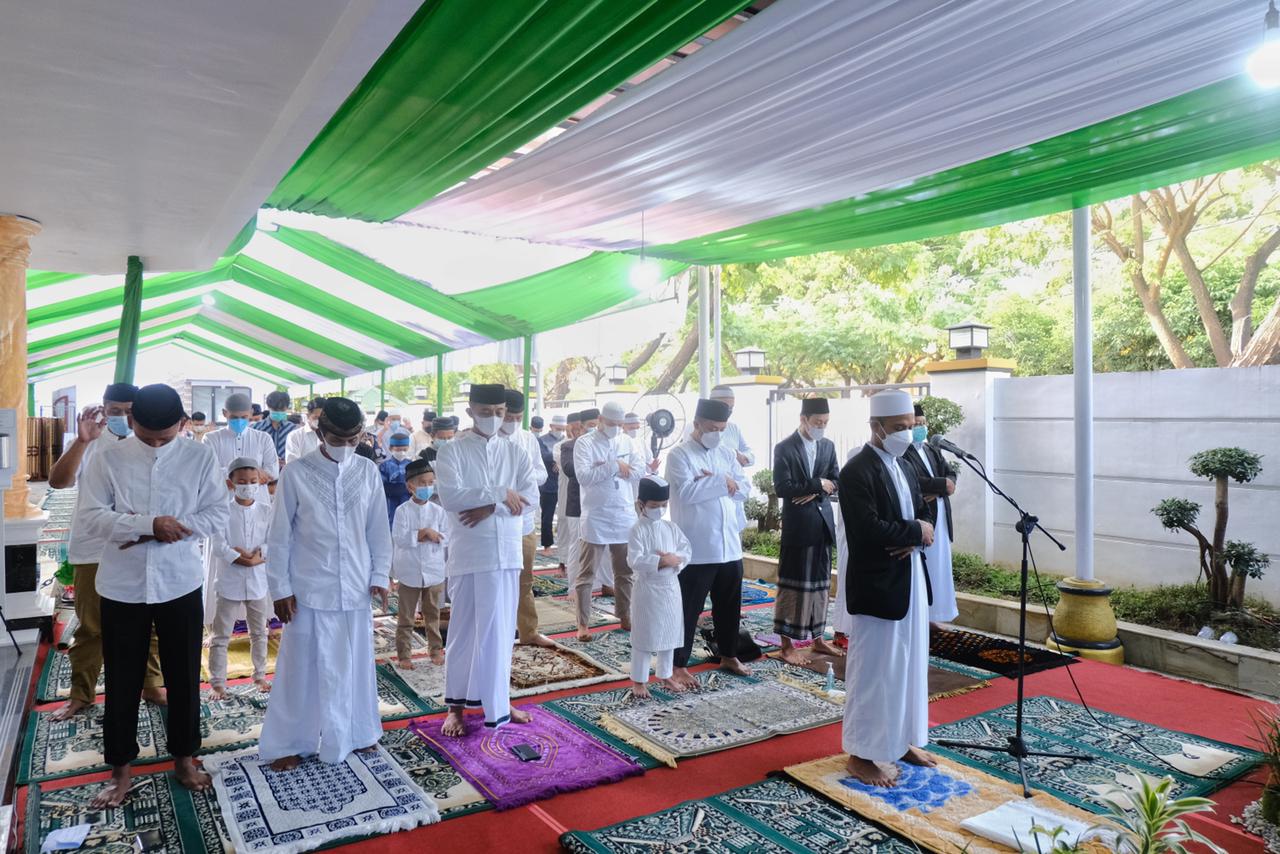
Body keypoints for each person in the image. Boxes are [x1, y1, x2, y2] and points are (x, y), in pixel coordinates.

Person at [78, 383, 229, 807]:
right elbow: (91, 518)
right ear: (131, 421)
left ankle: (184, 757)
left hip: (180, 581)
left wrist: (166, 528)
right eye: (147, 436)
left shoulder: (199, 457)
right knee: (123, 678)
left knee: (183, 676)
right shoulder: (107, 457)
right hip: (122, 586)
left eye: (166, 437)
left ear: (183, 424)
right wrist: (147, 525)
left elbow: (217, 513)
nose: (157, 444)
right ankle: (121, 769)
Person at [259, 397, 392, 769]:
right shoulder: (296, 473)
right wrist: (280, 589)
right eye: (339, 437)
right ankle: (288, 743)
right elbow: (279, 537)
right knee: (300, 670)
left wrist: (380, 575)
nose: (347, 445)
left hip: (355, 587)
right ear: (320, 432)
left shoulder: (366, 472)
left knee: (355, 666)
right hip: (307, 589)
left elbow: (378, 530)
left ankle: (358, 733)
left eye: (354, 439)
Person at [48, 385, 166, 721]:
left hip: (139, 544)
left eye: (130, 411)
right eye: (115, 411)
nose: (123, 418)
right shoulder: (90, 440)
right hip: (93, 548)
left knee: (149, 621)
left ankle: (151, 684)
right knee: (92, 628)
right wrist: (82, 441)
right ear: (103, 409)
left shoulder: (148, 441)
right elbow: (58, 482)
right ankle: (81, 694)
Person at [838, 389, 936, 787]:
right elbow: (865, 531)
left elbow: (922, 510)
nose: (906, 435)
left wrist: (916, 532)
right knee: (876, 670)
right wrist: (915, 530)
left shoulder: (905, 464)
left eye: (910, 427)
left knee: (910, 666)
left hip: (909, 579)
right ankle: (860, 754)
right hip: (878, 585)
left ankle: (902, 741)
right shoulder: (856, 471)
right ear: (876, 427)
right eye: (898, 428)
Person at [434, 384, 537, 734]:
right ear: (470, 411)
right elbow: (450, 497)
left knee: (501, 632)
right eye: (486, 411)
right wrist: (499, 495)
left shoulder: (517, 452)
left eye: (499, 412)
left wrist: (488, 506)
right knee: (464, 631)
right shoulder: (452, 451)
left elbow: (530, 498)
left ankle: (499, 702)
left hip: (506, 553)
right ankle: (456, 709)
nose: (494, 418)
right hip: (470, 554)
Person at [665, 398, 753, 688]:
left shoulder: (726, 453)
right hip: (697, 547)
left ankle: (729, 654)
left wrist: (721, 480)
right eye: (713, 428)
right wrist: (721, 481)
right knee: (688, 609)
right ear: (697, 425)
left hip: (729, 544)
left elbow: (744, 489)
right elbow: (688, 493)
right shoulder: (679, 455)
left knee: (729, 606)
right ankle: (677, 665)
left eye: (722, 428)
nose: (717, 433)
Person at [772, 397, 843, 664]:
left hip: (822, 525)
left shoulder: (828, 446)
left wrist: (816, 489)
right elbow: (783, 488)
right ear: (803, 420)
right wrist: (816, 485)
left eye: (825, 423)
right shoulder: (785, 448)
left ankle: (818, 639)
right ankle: (787, 645)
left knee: (820, 587)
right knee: (793, 585)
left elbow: (836, 481)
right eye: (817, 423)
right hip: (798, 527)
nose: (821, 427)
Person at [572, 401, 643, 638]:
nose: (615, 428)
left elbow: (638, 471)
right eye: (611, 423)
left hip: (623, 513)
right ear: (601, 420)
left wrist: (609, 468)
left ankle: (625, 614)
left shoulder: (628, 441)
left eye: (619, 424)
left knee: (625, 571)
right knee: (587, 573)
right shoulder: (585, 443)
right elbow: (584, 476)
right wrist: (614, 466)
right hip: (596, 515)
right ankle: (583, 623)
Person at [207, 458, 274, 698]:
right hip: (229, 581)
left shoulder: (267, 511)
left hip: (257, 580)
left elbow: (273, 541)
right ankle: (217, 682)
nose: (248, 486)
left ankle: (260, 676)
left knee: (259, 633)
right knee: (221, 634)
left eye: (253, 482)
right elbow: (218, 544)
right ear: (231, 483)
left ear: (260, 483)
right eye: (242, 482)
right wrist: (239, 557)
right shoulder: (222, 511)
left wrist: (258, 557)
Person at [627, 476, 692, 698]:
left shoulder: (670, 527)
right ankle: (639, 680)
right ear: (641, 504)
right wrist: (660, 561)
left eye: (663, 506)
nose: (660, 510)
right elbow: (634, 560)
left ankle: (665, 675)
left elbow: (686, 550)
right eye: (654, 506)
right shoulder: (637, 529)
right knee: (644, 637)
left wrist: (675, 559)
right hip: (648, 589)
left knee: (669, 634)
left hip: (671, 587)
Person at [499, 390, 554, 647]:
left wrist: (524, 481)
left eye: (517, 417)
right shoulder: (488, 440)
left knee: (525, 579)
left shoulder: (528, 439)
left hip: (524, 521)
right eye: (508, 416)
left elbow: (541, 474)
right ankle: (499, 632)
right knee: (496, 581)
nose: (512, 421)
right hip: (496, 523)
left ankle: (529, 631)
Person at [904, 403, 959, 626]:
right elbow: (914, 480)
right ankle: (923, 617)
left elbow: (950, 473)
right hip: (926, 519)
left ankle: (935, 617)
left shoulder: (931, 449)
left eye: (923, 424)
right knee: (927, 569)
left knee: (940, 569)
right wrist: (942, 484)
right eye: (916, 425)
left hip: (942, 517)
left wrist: (948, 483)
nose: (921, 428)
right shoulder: (905, 452)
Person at [391, 459, 448, 667]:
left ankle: (435, 651)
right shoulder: (402, 511)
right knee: (406, 617)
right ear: (410, 486)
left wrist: (434, 535)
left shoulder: (438, 511)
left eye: (430, 482)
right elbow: (400, 538)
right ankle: (404, 656)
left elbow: (447, 537)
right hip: (409, 572)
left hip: (433, 571)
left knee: (432, 615)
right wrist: (422, 534)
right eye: (422, 483)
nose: (427, 487)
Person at [557, 413, 583, 576]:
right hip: (569, 493)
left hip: (588, 499)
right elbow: (569, 469)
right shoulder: (564, 446)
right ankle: (562, 564)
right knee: (565, 527)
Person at [536, 414, 560, 557]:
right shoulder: (541, 440)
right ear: (551, 427)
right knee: (547, 517)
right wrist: (557, 458)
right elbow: (544, 457)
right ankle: (547, 545)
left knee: (564, 518)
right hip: (547, 485)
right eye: (558, 428)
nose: (561, 431)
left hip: (562, 484)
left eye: (563, 429)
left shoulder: (565, 440)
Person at [254, 390, 297, 467]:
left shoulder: (293, 430)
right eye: (275, 410)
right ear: (268, 407)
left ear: (287, 408)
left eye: (282, 410)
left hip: (286, 473)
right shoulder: (256, 428)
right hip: (263, 473)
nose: (278, 412)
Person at [379, 432, 413, 527]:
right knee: (392, 524)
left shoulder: (412, 465)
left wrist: (398, 488)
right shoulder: (384, 466)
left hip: (408, 501)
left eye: (404, 450)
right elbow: (383, 487)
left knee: (408, 524)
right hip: (391, 503)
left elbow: (416, 485)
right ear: (390, 449)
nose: (402, 452)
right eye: (398, 450)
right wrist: (405, 488)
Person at [285, 398, 324, 464]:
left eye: (323, 418)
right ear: (308, 416)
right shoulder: (295, 436)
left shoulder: (331, 436)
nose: (320, 421)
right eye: (316, 417)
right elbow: (292, 464)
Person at [625, 412, 661, 480]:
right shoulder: (618, 442)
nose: (635, 431)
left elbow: (649, 467)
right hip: (625, 483)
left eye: (637, 428)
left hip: (641, 484)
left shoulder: (641, 442)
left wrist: (653, 468)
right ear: (623, 426)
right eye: (631, 428)